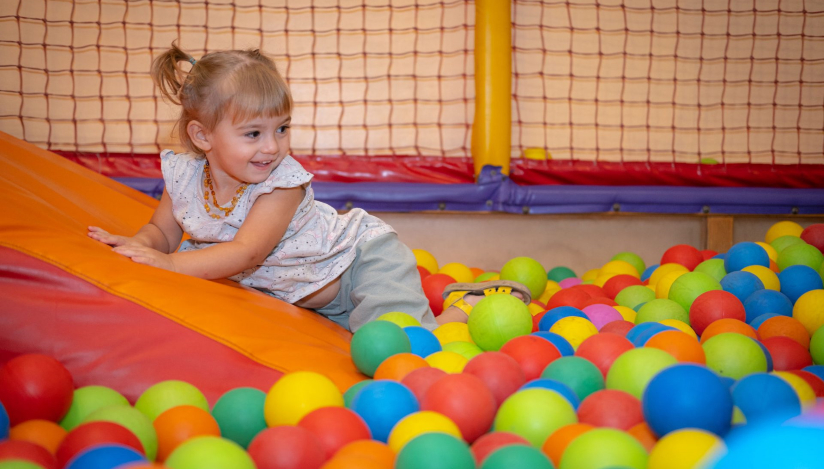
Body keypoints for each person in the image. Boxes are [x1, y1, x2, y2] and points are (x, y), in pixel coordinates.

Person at [88, 44, 530, 331]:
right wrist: (138, 246)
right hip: (309, 300)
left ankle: (470, 306)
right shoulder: (183, 176)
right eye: (253, 134)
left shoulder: (281, 185)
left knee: (406, 346)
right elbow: (162, 232)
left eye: (281, 128)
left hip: (359, 264)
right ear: (203, 137)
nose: (273, 146)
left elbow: (246, 254)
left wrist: (167, 264)